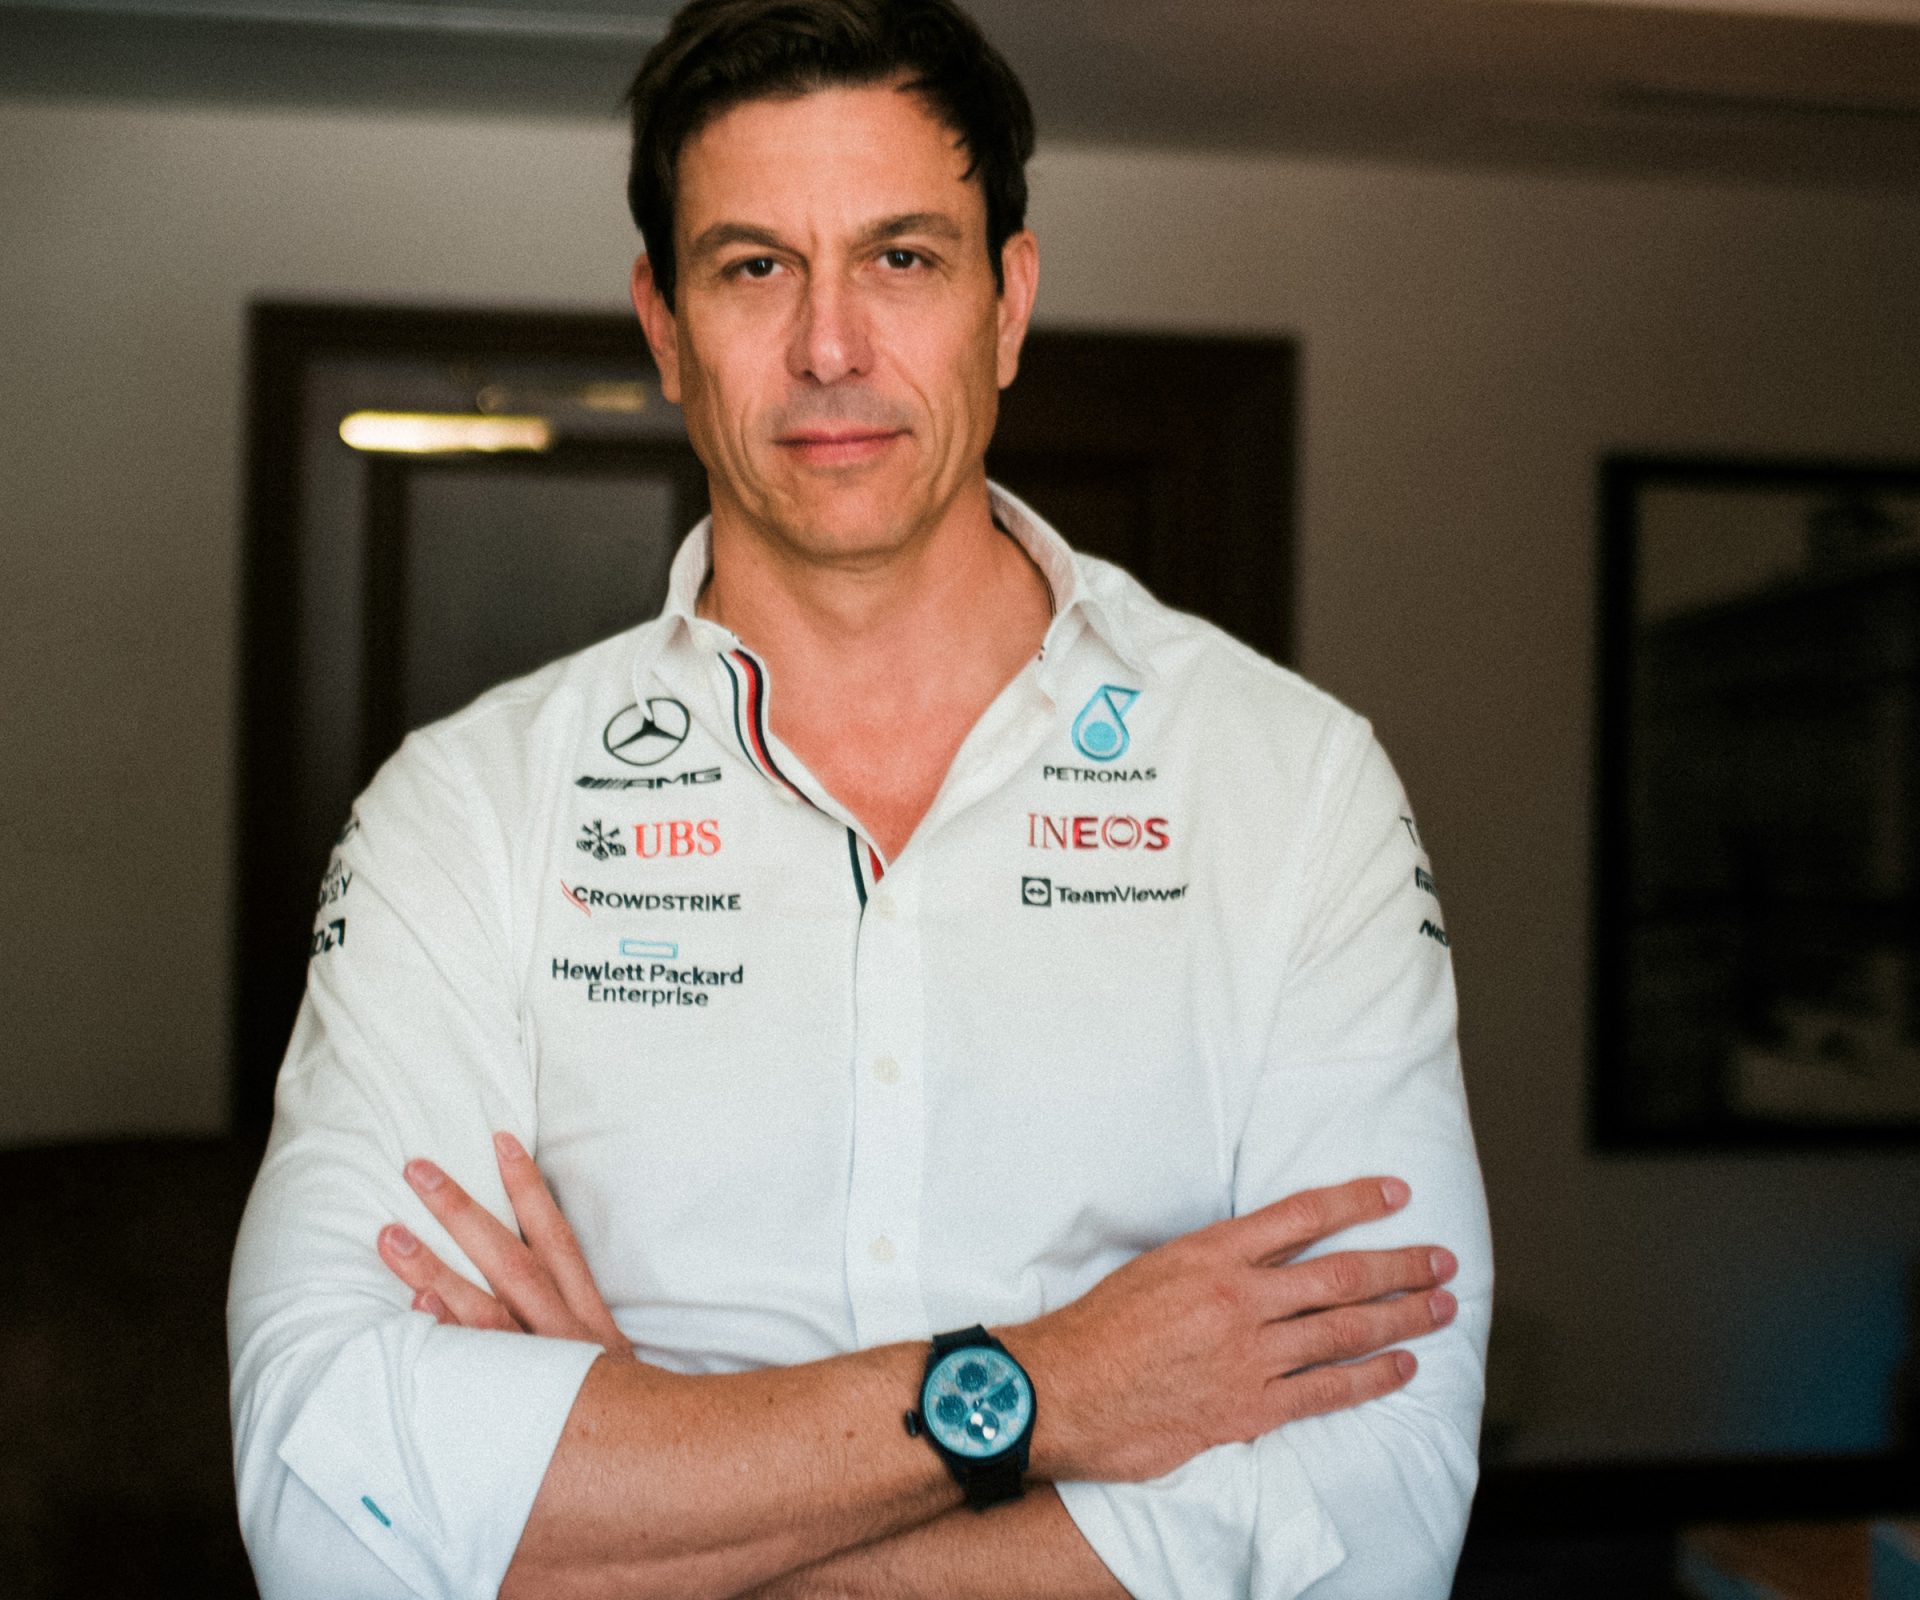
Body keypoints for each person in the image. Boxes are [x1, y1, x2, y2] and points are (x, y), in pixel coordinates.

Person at [226, 0, 1493, 1595]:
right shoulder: (464, 817)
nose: (831, 345)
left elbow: (1373, 1506)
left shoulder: (1294, 790)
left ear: (1006, 305)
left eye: (901, 257)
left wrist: (656, 1492)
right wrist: (1054, 1389)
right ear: (665, 325)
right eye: (755, 266)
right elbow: (327, 1499)